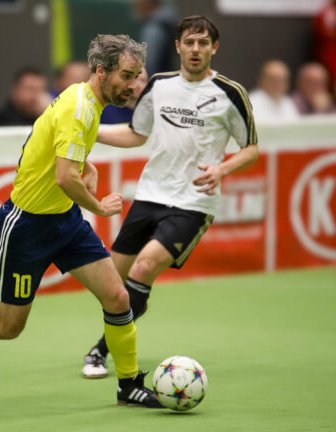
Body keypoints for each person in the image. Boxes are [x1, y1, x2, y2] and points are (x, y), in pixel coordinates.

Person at [0, 34, 162, 408]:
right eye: (127, 75)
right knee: (7, 327)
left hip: (66, 222)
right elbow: (64, 177)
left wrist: (83, 165)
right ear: (101, 71)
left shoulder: (87, 99)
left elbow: (52, 147)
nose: (133, 85)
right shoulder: (79, 106)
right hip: (26, 227)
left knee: (118, 296)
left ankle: (127, 384)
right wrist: (98, 206)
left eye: (137, 75)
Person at [80, 16, 258, 379]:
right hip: (150, 194)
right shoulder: (159, 85)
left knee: (144, 269)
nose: (195, 49)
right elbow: (136, 134)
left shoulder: (231, 93)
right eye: (189, 42)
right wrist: (89, 131)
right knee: (114, 280)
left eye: (203, 43)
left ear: (214, 48)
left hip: (193, 202)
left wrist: (222, 169)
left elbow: (251, 148)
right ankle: (112, 342)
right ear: (177, 46)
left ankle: (101, 351)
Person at [134, 0, 178, 75]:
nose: (136, 10)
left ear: (147, 5)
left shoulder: (153, 28)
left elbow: (148, 62)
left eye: (138, 5)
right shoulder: (170, 22)